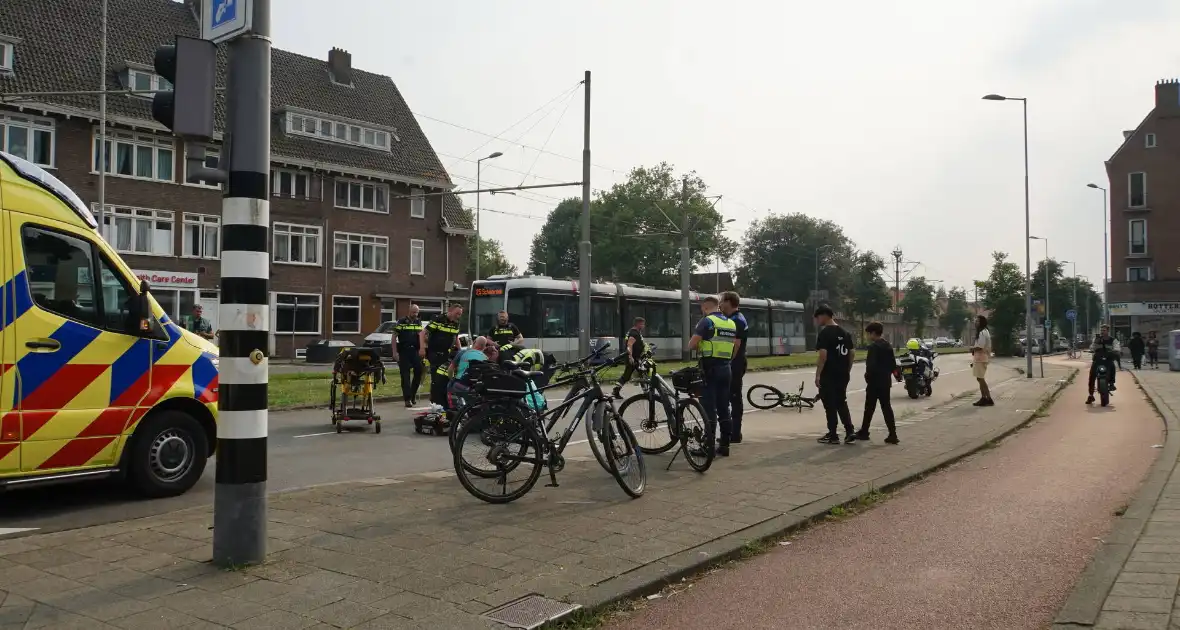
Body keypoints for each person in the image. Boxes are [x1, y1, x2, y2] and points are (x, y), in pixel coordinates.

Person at [687, 296, 736, 457]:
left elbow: (691, 345)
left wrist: (699, 345)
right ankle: (725, 445)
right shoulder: (730, 323)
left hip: (710, 369)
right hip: (726, 368)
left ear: (704, 307)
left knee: (709, 409)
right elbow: (734, 345)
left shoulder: (707, 322)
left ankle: (708, 448)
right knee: (724, 408)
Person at [813, 305, 856, 444]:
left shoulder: (825, 333)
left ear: (825, 315)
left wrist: (818, 374)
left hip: (829, 374)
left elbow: (823, 355)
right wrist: (847, 369)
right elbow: (852, 353)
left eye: (818, 317)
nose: (817, 320)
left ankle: (833, 435)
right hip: (842, 374)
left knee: (829, 405)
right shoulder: (845, 332)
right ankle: (850, 431)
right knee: (841, 402)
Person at [857, 321, 898, 444]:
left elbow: (871, 366)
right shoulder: (888, 345)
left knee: (869, 408)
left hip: (874, 382)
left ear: (873, 333)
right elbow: (893, 365)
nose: (867, 337)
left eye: (868, 334)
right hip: (885, 381)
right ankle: (893, 434)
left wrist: (868, 376)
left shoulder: (874, 347)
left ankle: (864, 432)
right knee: (886, 407)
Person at [420, 303, 463, 409]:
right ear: (450, 310)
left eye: (460, 314)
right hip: (434, 353)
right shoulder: (438, 320)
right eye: (457, 313)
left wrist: (461, 352)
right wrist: (422, 348)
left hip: (446, 354)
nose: (458, 316)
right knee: (436, 378)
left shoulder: (456, 323)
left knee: (445, 378)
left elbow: (456, 338)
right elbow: (422, 333)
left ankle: (442, 402)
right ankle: (435, 402)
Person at [720, 291, 749, 443]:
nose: (719, 304)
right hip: (735, 363)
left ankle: (735, 433)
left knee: (734, 398)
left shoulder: (737, 320)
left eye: (722, 300)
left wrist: (727, 361)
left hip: (735, 364)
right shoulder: (733, 318)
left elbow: (736, 345)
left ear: (729, 302)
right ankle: (733, 432)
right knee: (731, 397)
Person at [392, 304, 425, 407]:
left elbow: (421, 336)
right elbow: (394, 337)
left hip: (415, 351)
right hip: (404, 351)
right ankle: (407, 399)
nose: (415, 314)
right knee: (405, 376)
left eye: (417, 312)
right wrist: (394, 352)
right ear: (409, 311)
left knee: (419, 372)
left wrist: (422, 349)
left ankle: (412, 395)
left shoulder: (418, 322)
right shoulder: (401, 321)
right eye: (413, 312)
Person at [612, 317, 647, 399]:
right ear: (638, 324)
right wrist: (630, 357)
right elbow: (629, 345)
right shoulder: (634, 333)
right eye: (642, 324)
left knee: (630, 375)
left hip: (635, 358)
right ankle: (646, 392)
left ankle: (616, 390)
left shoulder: (634, 332)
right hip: (633, 358)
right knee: (639, 374)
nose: (643, 326)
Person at [1087, 324, 1118, 404]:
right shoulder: (1096, 339)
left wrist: (1116, 351)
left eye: (1104, 330)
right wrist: (1092, 348)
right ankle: (1091, 395)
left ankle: (1111, 383)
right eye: (1101, 330)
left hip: (1108, 360)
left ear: (1108, 331)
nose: (1102, 332)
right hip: (1098, 360)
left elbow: (1117, 347)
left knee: (1113, 367)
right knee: (1092, 376)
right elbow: (1092, 347)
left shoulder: (1113, 340)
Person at [970, 315, 994, 406]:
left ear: (982, 323)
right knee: (979, 378)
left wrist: (972, 348)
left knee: (981, 378)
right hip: (981, 358)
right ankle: (985, 397)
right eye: (975, 321)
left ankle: (987, 398)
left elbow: (980, 346)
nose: (975, 323)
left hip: (981, 358)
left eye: (977, 321)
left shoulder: (982, 333)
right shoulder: (984, 331)